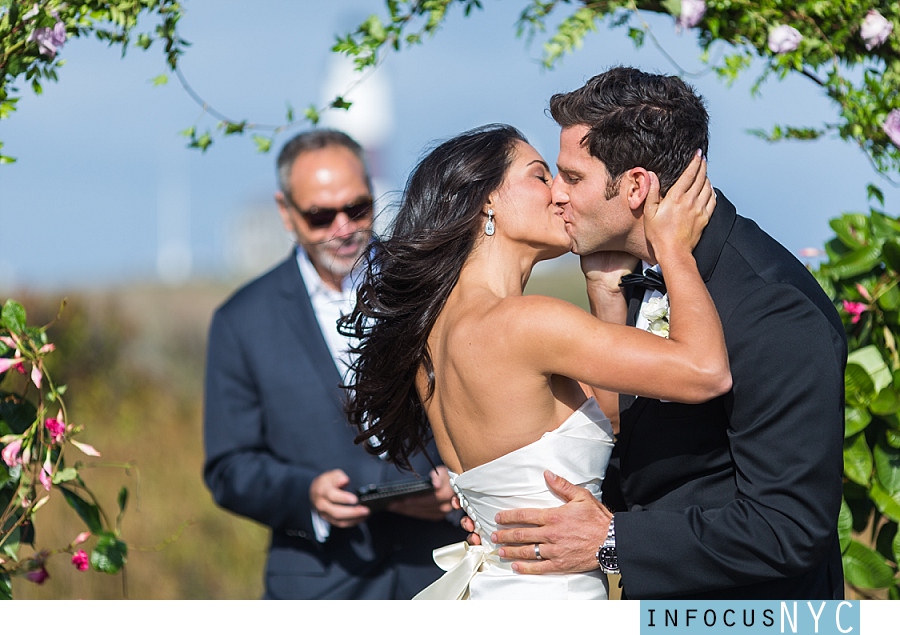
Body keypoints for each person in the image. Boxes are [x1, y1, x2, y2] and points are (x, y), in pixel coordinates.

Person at [485, 67, 847, 599]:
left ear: (636, 185)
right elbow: (642, 463)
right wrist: (516, 513)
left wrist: (612, 540)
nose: (555, 194)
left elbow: (788, 528)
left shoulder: (774, 310)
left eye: (573, 177)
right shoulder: (623, 275)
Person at [340, 123, 730, 600]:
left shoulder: (432, 335)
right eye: (542, 176)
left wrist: (603, 288)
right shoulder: (526, 323)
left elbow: (605, 419)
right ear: (486, 201)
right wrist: (673, 248)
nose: (561, 193)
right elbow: (705, 372)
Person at [202, 129, 465, 600]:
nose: (343, 227)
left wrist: (457, 480)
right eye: (321, 216)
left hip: (440, 571)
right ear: (286, 213)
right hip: (319, 584)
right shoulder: (241, 320)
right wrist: (308, 495)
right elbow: (229, 468)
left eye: (358, 208)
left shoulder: (431, 288)